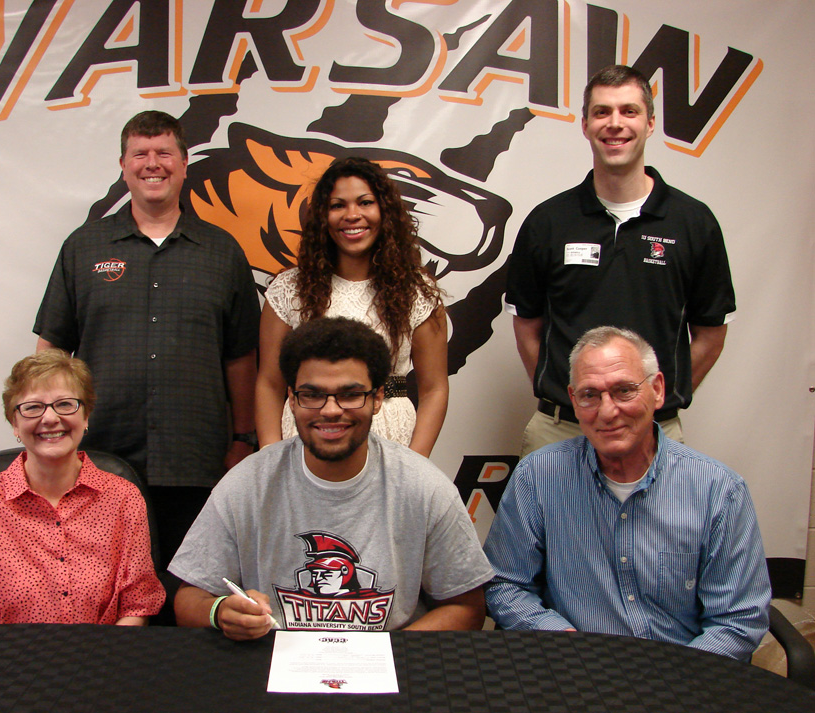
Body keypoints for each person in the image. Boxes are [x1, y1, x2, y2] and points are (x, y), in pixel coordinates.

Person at [32, 110, 261, 567]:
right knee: (101, 583)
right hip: (100, 455)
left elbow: (242, 358)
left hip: (196, 459)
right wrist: (49, 424)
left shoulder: (222, 251)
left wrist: (242, 438)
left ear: (184, 164)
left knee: (187, 588)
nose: (152, 163)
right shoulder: (84, 247)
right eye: (140, 153)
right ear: (123, 164)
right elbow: (52, 351)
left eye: (164, 152)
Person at [172, 317, 492, 640]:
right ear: (292, 399)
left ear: (378, 397)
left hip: (388, 676)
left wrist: (387, 655)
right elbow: (188, 598)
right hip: (270, 670)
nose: (330, 410)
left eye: (350, 394)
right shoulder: (246, 484)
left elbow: (467, 607)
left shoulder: (426, 488)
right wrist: (220, 612)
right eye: (312, 394)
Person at [483, 326, 770, 661]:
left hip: (683, 680)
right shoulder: (539, 477)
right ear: (573, 401)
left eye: (623, 391)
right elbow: (505, 584)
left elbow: (738, 620)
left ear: (658, 390)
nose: (607, 412)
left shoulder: (718, 491)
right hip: (574, 671)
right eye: (591, 395)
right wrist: (560, 640)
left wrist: (678, 679)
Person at [505, 65, 736, 455]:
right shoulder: (548, 221)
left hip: (655, 434)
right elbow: (527, 326)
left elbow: (711, 336)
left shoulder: (693, 222)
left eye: (629, 111)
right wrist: (578, 400)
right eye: (602, 112)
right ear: (584, 124)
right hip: (561, 432)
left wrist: (647, 402)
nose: (615, 124)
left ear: (649, 123)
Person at [0, 350, 165, 625]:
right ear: (15, 423)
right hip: (6, 660)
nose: (50, 418)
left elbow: (136, 607)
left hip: (103, 659)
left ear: (86, 417)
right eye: (33, 407)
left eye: (65, 404)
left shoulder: (124, 498)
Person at [256, 156, 448, 457]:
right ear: (322, 216)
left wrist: (416, 462)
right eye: (337, 205)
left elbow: (434, 389)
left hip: (390, 437)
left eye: (365, 202)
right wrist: (269, 455)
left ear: (384, 211)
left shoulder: (416, 293)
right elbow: (269, 383)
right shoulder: (289, 289)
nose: (352, 215)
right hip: (308, 434)